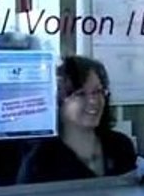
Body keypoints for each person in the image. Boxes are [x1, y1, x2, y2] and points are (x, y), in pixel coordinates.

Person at [17, 55, 137, 184]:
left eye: (98, 91)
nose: (93, 101)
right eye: (80, 94)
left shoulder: (120, 145)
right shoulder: (41, 161)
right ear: (58, 102)